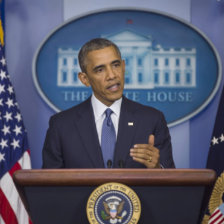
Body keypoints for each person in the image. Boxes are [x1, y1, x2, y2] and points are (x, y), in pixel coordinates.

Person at [42, 38, 175, 169]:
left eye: (115, 65)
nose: (112, 75)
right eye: (100, 70)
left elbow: (172, 185)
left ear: (123, 67)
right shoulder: (61, 126)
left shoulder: (152, 120)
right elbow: (49, 187)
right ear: (85, 79)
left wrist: (157, 168)